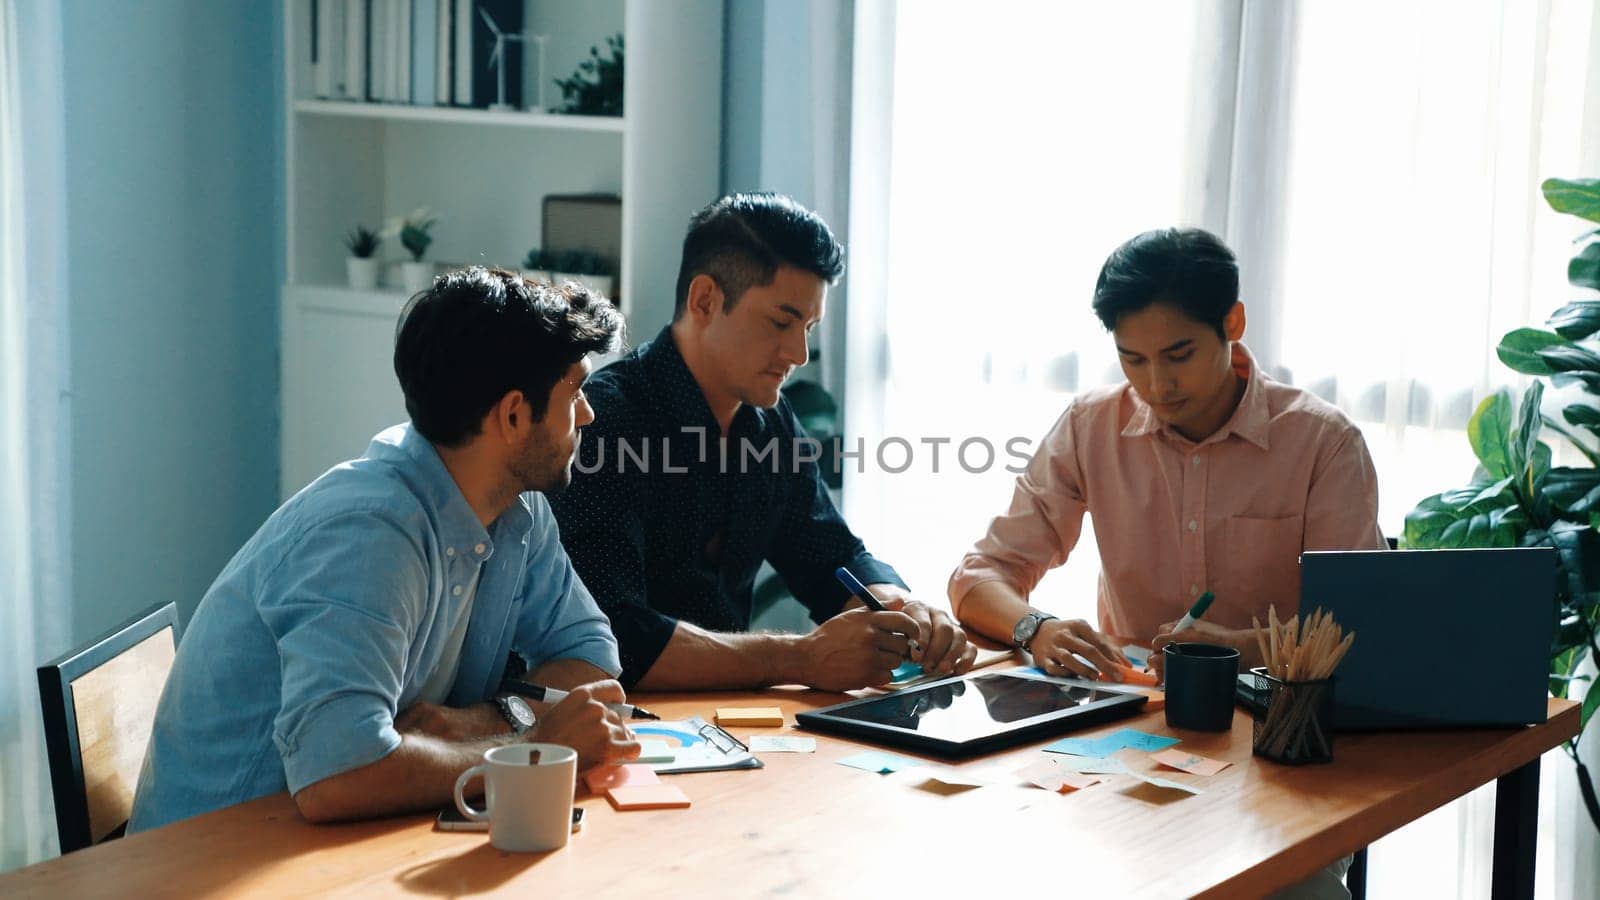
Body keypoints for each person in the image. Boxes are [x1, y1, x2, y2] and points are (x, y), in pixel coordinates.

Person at [130, 268, 639, 833]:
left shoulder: (515, 508)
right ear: (514, 415)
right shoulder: (370, 534)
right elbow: (338, 773)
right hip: (216, 862)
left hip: (333, 842)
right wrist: (533, 745)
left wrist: (485, 720)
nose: (589, 413)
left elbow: (590, 653)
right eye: (576, 390)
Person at [549, 193, 976, 691]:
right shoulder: (604, 419)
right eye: (781, 322)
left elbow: (832, 559)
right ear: (705, 299)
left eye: (808, 328)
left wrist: (905, 610)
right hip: (612, 727)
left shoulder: (769, 423)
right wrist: (799, 658)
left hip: (731, 727)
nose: (798, 353)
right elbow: (616, 636)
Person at [949, 227, 1385, 681]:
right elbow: (979, 577)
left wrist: (1243, 648)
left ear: (1232, 323)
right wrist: (1036, 629)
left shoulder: (1323, 442)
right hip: (1132, 711)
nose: (1157, 385)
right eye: (1133, 359)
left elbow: (1361, 622)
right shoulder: (1090, 425)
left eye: (1179, 355)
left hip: (1277, 713)